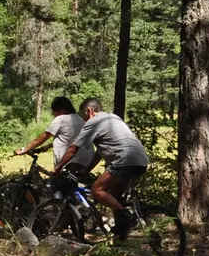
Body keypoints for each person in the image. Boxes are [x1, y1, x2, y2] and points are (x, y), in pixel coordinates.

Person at [54, 97, 150, 241]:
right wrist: (86, 171)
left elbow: (73, 148)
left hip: (124, 160)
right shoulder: (113, 117)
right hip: (141, 161)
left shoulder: (93, 121)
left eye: (84, 116)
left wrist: (58, 167)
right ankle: (120, 239)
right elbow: (100, 152)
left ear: (89, 111)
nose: (84, 121)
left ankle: (128, 217)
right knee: (115, 197)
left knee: (97, 190)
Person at [16, 96, 85, 173]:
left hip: (69, 164)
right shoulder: (81, 119)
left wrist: (24, 150)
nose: (53, 115)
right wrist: (49, 146)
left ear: (61, 111)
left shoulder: (60, 119)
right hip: (86, 163)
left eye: (54, 112)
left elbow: (39, 140)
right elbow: (71, 139)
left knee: (53, 183)